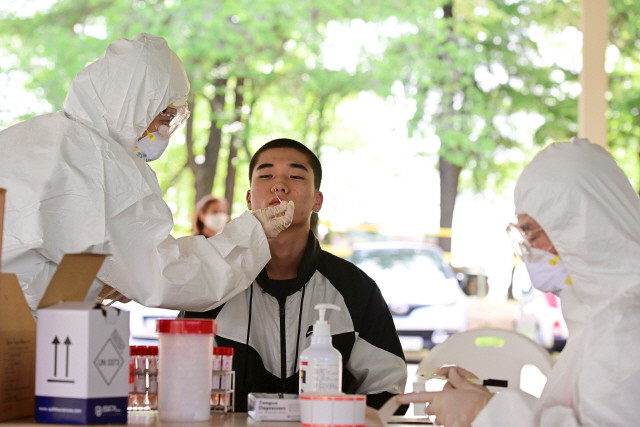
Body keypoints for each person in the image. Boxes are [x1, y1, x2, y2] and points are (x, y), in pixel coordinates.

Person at [0, 33, 294, 316]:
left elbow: (35, 251)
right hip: (16, 336)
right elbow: (167, 276)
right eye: (163, 116)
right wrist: (251, 232)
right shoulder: (96, 161)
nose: (161, 131)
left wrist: (102, 278)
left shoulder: (36, 137)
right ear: (134, 105)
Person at [398, 138, 640, 426]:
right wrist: (485, 404)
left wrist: (484, 412)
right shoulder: (604, 316)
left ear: (578, 227)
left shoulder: (626, 325)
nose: (529, 249)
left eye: (531, 232)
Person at [182, 138, 407, 411]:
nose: (279, 185)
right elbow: (181, 384)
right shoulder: (214, 280)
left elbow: (388, 390)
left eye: (296, 175)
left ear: (317, 200)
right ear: (250, 199)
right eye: (266, 175)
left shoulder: (355, 289)